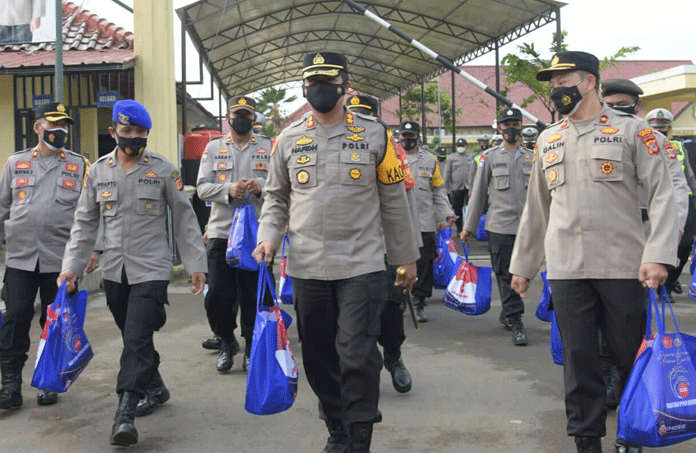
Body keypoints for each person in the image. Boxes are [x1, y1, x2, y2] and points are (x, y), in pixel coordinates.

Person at [509, 51, 677, 453]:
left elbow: (662, 196)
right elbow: (537, 208)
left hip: (623, 266)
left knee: (628, 356)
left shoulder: (633, 132)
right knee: (579, 360)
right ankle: (586, 440)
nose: (556, 89)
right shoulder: (550, 138)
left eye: (563, 80)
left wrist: (658, 254)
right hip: (567, 269)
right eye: (552, 83)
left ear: (589, 82)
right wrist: (524, 266)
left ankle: (632, 433)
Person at [252, 52, 419, 453]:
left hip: (362, 262)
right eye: (312, 83)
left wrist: (406, 257)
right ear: (304, 89)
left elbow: (394, 201)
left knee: (357, 352)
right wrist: (268, 236)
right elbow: (275, 197)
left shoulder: (377, 134)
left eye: (328, 81)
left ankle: (360, 435)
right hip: (307, 266)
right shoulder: (288, 139)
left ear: (345, 86)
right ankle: (338, 428)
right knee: (319, 356)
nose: (320, 89)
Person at [58, 100, 207, 447]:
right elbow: (83, 224)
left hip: (151, 269)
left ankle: (124, 412)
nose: (133, 138)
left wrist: (196, 265)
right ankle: (155, 386)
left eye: (140, 132)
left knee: (136, 337)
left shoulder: (163, 170)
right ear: (113, 132)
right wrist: (71, 267)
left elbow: (185, 219)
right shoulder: (96, 172)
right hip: (114, 271)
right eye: (127, 131)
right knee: (132, 337)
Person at [600, 79, 691, 408]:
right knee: (594, 315)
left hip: (640, 235)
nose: (617, 113)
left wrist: (671, 232)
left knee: (627, 314)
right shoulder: (590, 137)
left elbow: (676, 190)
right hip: (597, 238)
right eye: (610, 105)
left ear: (636, 108)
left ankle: (622, 379)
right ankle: (602, 374)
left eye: (624, 106)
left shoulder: (658, 143)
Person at [0, 102, 95, 411]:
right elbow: (2, 207)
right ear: (37, 127)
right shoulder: (16, 163)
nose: (60, 131)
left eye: (64, 126)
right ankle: (10, 385)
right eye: (53, 125)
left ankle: (48, 381)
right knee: (14, 318)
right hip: (20, 257)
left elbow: (92, 213)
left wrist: (94, 250)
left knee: (53, 321)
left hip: (61, 260)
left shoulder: (80, 165)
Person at [346, 94, 419, 395]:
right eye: (354, 116)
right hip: (349, 248)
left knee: (391, 309)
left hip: (387, 247)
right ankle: (358, 370)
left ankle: (394, 357)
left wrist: (408, 252)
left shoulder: (392, 150)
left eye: (366, 116)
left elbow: (406, 202)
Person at [196, 95, 274, 373]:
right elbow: (202, 187)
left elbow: (280, 186)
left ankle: (252, 348)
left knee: (255, 295)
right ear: (228, 118)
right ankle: (227, 342)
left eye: (247, 114)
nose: (242, 119)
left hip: (258, 234)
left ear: (253, 119)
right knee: (218, 293)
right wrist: (227, 189)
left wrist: (261, 186)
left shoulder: (268, 147)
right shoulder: (214, 148)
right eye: (237, 114)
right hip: (222, 232)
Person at [461, 108, 533, 346]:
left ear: (521, 127)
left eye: (515, 124)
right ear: (499, 128)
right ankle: (516, 319)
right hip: (499, 227)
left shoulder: (533, 157)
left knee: (524, 272)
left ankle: (508, 312)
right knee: (505, 274)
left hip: (526, 227)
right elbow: (479, 193)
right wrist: (468, 226)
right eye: (506, 124)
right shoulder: (489, 157)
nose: (511, 129)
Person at [400, 121, 456, 322]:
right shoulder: (390, 158)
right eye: (404, 136)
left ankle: (419, 301)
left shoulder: (430, 160)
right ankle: (399, 299)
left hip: (424, 220)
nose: (407, 140)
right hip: (398, 222)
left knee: (423, 265)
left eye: (411, 136)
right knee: (398, 264)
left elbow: (438, 191)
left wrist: (446, 214)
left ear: (418, 137)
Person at [645, 108, 696, 297]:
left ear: (669, 127)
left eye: (663, 128)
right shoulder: (640, 144)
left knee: (685, 244)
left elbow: (688, 174)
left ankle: (669, 283)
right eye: (656, 128)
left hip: (681, 198)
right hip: (654, 198)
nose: (660, 132)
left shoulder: (679, 147)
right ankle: (652, 284)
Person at [444, 137, 475, 233]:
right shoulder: (451, 157)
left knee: (470, 208)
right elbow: (447, 172)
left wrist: (472, 188)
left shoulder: (471, 157)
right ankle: (459, 228)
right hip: (456, 187)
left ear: (466, 146)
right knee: (457, 208)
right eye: (459, 146)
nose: (461, 147)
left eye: (463, 146)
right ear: (456, 146)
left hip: (469, 187)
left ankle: (469, 228)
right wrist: (446, 187)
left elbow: (474, 173)